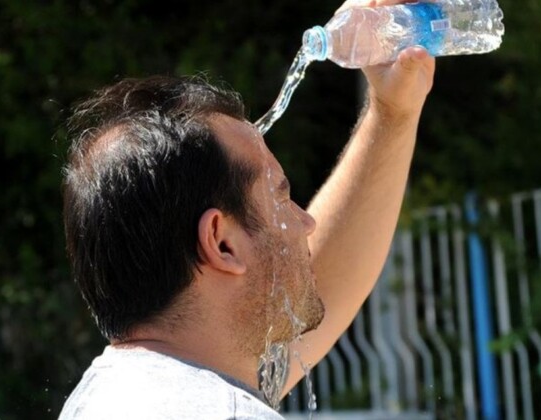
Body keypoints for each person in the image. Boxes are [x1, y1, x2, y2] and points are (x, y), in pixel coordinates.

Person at [58, 0, 435, 417]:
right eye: (280, 196)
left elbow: (322, 279)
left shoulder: (115, 393)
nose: (306, 222)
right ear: (222, 243)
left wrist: (394, 113)